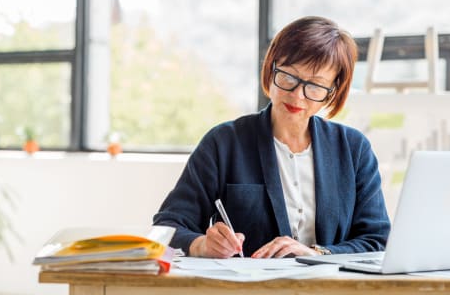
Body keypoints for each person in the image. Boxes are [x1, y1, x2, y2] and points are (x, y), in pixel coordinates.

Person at [153, 16, 391, 258]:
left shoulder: (353, 149)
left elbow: (376, 239)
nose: (298, 96)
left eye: (315, 86)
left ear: (333, 91)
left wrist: (317, 253)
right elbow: (166, 227)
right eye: (289, 77)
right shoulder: (223, 143)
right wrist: (202, 245)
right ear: (271, 67)